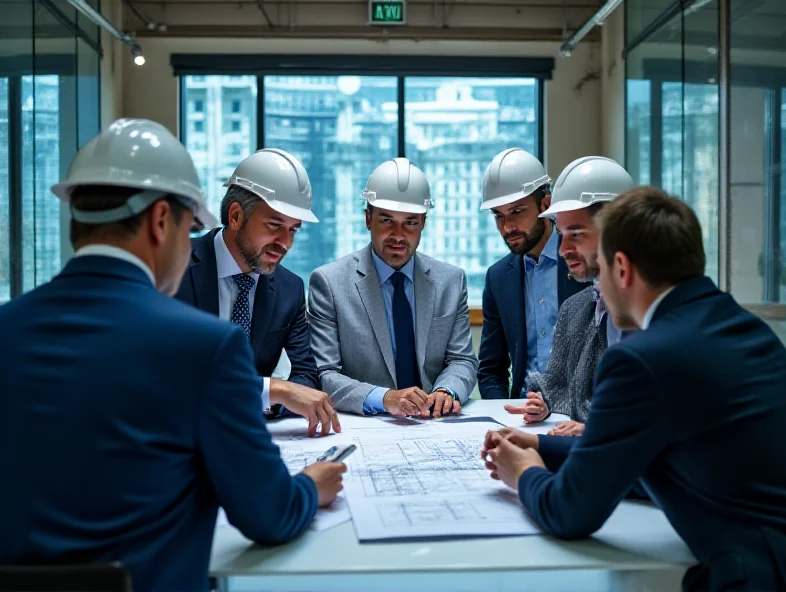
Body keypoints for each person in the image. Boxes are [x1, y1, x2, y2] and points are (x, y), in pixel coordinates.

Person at [0, 119, 346, 591]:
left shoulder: (7, 328)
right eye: (190, 229)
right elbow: (271, 515)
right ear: (162, 221)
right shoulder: (204, 347)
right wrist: (311, 485)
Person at [483, 187, 786, 592]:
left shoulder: (642, 359)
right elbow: (636, 456)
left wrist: (522, 471)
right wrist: (539, 445)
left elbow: (569, 512)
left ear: (622, 269)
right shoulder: (741, 325)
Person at [176, 149, 339, 437]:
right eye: (275, 226)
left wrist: (266, 402)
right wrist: (271, 389)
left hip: (246, 437)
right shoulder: (175, 269)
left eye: (293, 230)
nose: (285, 243)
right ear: (236, 215)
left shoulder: (289, 289)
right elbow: (169, 373)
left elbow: (307, 378)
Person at [308, 157, 478, 418]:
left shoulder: (450, 281)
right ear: (368, 219)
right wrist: (383, 397)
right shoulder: (329, 283)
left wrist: (446, 391)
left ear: (423, 223)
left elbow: (462, 360)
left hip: (432, 423)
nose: (398, 235)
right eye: (387, 221)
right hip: (365, 424)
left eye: (410, 222)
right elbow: (324, 374)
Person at [503, 157, 635, 436]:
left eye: (575, 233)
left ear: (618, 227)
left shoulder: (654, 312)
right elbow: (558, 387)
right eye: (561, 233)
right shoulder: (578, 307)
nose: (562, 249)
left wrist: (592, 432)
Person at [477, 148, 586, 402]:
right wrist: (502, 416)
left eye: (517, 212)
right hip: (521, 413)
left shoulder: (582, 262)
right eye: (499, 216)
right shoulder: (497, 277)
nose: (507, 227)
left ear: (546, 205)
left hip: (577, 413)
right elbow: (491, 370)